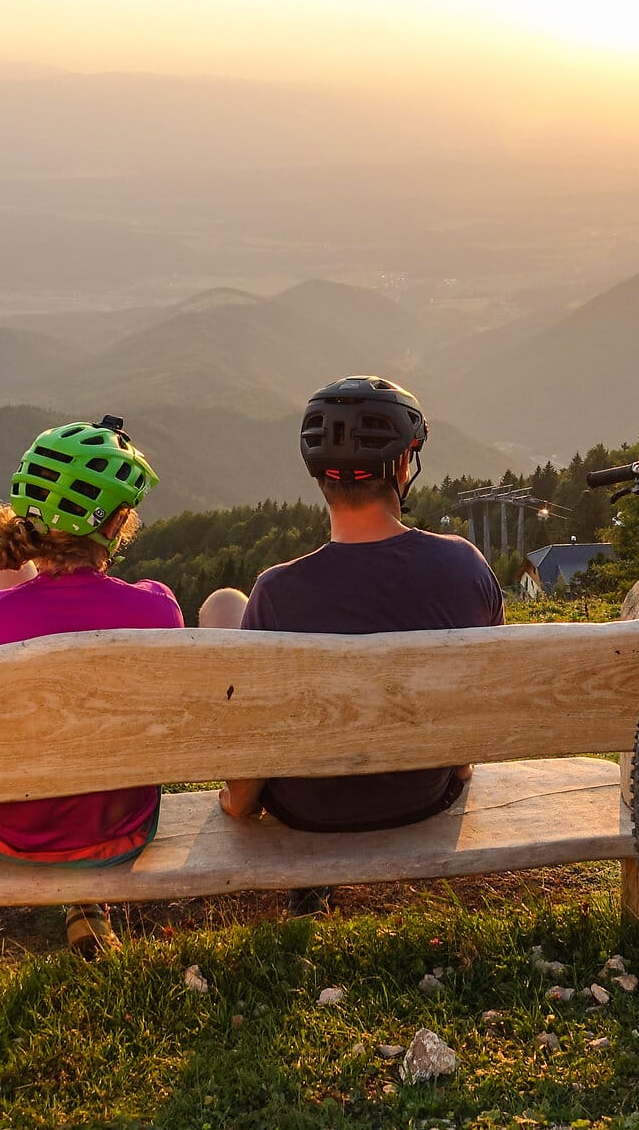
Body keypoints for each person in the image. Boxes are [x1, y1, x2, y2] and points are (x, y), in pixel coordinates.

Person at [216, 376, 502, 913]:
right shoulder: (463, 565)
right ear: (402, 466)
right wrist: (458, 766)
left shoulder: (275, 592)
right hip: (422, 795)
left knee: (224, 612)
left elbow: (253, 729)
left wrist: (239, 803)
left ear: (317, 474)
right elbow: (480, 697)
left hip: (307, 810)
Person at [0, 415, 182, 955]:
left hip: (6, 828)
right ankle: (88, 903)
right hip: (119, 824)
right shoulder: (158, 611)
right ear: (116, 525)